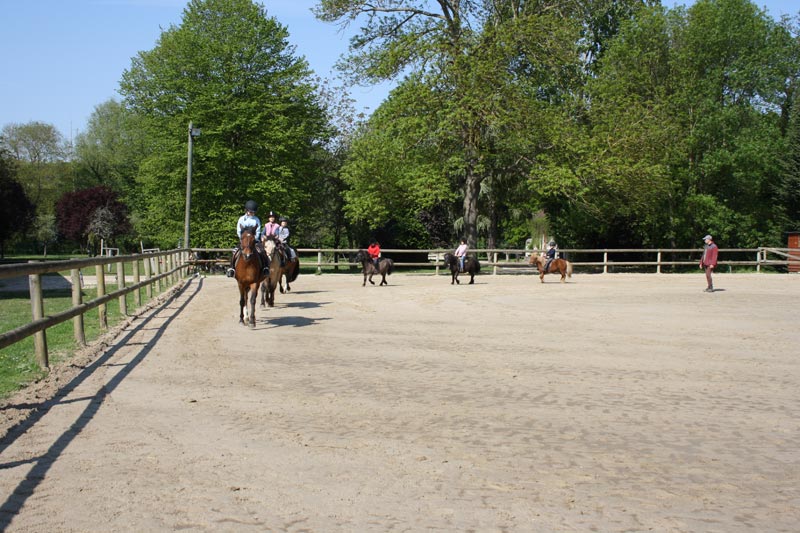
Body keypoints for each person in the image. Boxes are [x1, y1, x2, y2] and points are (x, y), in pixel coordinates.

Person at [227, 200, 267, 278]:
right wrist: (242, 239)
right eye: (251, 212)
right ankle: (232, 268)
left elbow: (258, 231)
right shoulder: (241, 219)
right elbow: (239, 230)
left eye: (253, 212)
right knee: (235, 251)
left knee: (262, 251)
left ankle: (265, 268)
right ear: (247, 211)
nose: (252, 213)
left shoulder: (256, 219)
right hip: (244, 241)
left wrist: (254, 239)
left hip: (254, 241)